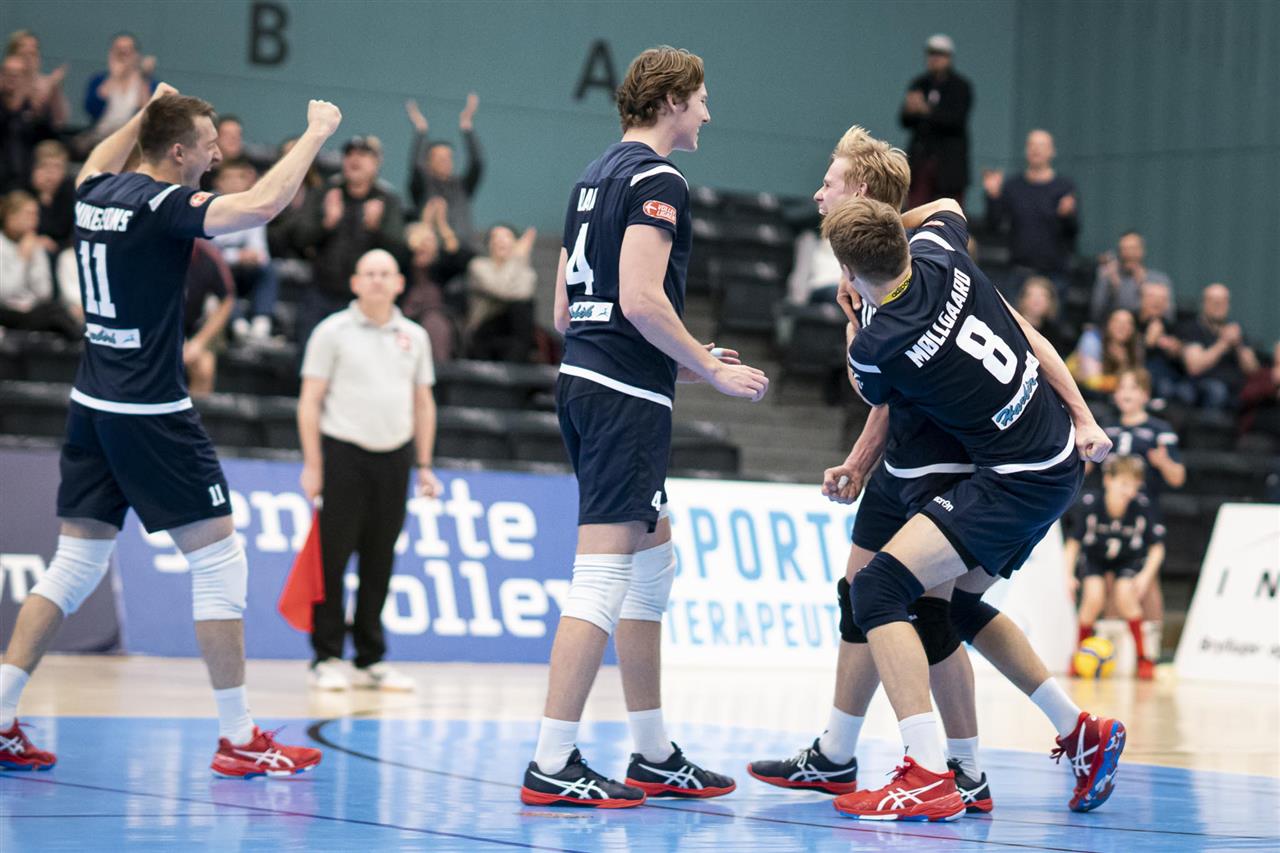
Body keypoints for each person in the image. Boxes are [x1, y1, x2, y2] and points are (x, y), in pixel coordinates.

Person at [0, 82, 342, 776]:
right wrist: (315, 134)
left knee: (74, 566)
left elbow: (96, 159)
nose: (217, 159)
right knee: (220, 562)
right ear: (178, 152)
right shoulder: (162, 207)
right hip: (150, 411)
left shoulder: (96, 193)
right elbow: (261, 206)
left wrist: (142, 113)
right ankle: (238, 737)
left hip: (91, 402)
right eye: (209, 148)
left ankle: (0, 713)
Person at [520, 46, 768, 809]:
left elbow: (569, 313)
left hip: (588, 381)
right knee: (601, 579)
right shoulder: (660, 179)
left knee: (653, 564)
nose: (708, 113)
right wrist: (711, 366)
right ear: (670, 102)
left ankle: (653, 752)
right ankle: (551, 760)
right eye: (701, 99)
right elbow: (638, 298)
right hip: (623, 397)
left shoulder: (590, 178)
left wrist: (681, 362)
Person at [823, 195, 1121, 819]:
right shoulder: (940, 250)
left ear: (850, 272)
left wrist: (853, 317)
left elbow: (867, 384)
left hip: (1014, 481)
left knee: (877, 590)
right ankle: (1079, 731)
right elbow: (948, 205)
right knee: (951, 608)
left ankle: (926, 772)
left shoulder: (880, 341)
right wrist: (891, 227)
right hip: (1054, 454)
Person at [747, 125, 992, 815]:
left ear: (857, 191)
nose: (817, 192)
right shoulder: (873, 261)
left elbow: (875, 379)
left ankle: (964, 768)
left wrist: (854, 321)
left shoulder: (900, 270)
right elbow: (887, 394)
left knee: (933, 615)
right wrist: (859, 460)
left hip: (945, 460)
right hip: (900, 456)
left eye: (829, 181)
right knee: (857, 594)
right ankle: (835, 753)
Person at [297, 248, 440, 692]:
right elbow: (310, 401)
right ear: (355, 282)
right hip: (343, 455)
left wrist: (424, 465)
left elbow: (423, 403)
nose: (377, 280)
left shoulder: (414, 336)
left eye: (385, 273)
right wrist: (313, 465)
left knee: (381, 558)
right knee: (333, 559)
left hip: (395, 457)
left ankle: (370, 658)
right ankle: (326, 656)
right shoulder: (332, 331)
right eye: (369, 273)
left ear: (399, 283)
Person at [295, 134, 405, 346]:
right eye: (349, 154)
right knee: (310, 351)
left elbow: (400, 253)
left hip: (365, 300)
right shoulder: (325, 193)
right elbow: (299, 240)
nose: (355, 159)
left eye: (363, 155)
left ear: (376, 163)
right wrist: (327, 223)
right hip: (321, 292)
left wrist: (376, 228)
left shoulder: (388, 200)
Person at [1064, 455, 1166, 680]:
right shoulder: (1090, 505)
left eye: (1134, 485)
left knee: (1125, 596)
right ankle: (1079, 655)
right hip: (1095, 558)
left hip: (1127, 559)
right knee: (1093, 598)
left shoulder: (1141, 507)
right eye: (1124, 484)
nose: (1129, 491)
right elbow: (1073, 543)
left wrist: (1145, 576)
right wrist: (1068, 575)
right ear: (1108, 480)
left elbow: (1157, 548)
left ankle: (1143, 658)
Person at [982, 130, 1078, 296]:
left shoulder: (1064, 187)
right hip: (1018, 272)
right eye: (1031, 145)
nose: (1036, 150)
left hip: (1054, 274)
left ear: (1052, 151)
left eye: (1041, 145)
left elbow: (1074, 231)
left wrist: (1068, 215)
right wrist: (993, 197)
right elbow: (994, 226)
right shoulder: (1013, 186)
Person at [899, 34, 972, 209]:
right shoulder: (919, 83)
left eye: (940, 54)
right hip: (921, 162)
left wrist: (925, 109)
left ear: (949, 58)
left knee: (948, 212)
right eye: (931, 54)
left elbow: (955, 120)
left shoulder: (960, 87)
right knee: (916, 212)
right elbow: (905, 121)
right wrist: (909, 109)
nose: (935, 59)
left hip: (949, 167)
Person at [211, 158, 279, 341]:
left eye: (240, 177)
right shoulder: (206, 205)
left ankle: (261, 323)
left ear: (248, 181)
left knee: (268, 269)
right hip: (216, 271)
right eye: (229, 177)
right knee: (218, 271)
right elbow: (206, 254)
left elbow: (261, 251)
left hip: (244, 271)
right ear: (218, 182)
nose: (235, 182)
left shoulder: (254, 205)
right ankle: (237, 324)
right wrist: (236, 256)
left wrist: (254, 256)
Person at [406, 94, 483, 250]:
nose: (445, 161)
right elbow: (416, 167)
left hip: (463, 250)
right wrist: (421, 131)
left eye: (448, 157)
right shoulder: (422, 186)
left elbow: (477, 163)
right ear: (428, 162)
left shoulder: (462, 186)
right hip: (432, 252)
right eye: (439, 157)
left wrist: (467, 128)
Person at [0, 188, 78, 339]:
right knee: (55, 316)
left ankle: (77, 340)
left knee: (54, 310)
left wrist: (34, 257)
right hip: (5, 311)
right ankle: (78, 339)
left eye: (36, 214)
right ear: (10, 216)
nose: (34, 220)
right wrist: (22, 259)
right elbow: (5, 293)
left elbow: (44, 293)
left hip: (31, 310)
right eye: (28, 214)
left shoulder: (35, 245)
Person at [1179, 283, 1260, 409]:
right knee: (1217, 391)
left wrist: (1239, 345)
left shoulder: (1236, 330)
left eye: (1223, 302)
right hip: (1205, 387)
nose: (1218, 306)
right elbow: (1194, 367)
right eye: (1214, 301)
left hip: (1236, 388)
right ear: (1204, 303)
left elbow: (1253, 370)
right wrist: (1223, 344)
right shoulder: (1193, 329)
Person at [465, 223, 537, 361]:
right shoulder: (478, 265)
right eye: (495, 237)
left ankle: (516, 366)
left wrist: (517, 262)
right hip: (484, 332)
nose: (500, 241)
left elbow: (524, 296)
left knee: (522, 309)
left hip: (513, 334)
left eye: (506, 237)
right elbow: (501, 289)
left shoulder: (526, 272)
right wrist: (517, 258)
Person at [78, 33, 156, 153]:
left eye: (127, 52)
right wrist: (113, 77)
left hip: (132, 141)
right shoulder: (99, 80)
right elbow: (91, 110)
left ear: (137, 55)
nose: (123, 56)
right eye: (119, 52)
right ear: (111, 54)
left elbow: (148, 115)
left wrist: (143, 78)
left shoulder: (146, 82)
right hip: (100, 138)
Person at [182, 239, 235, 397]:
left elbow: (227, 299)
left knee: (204, 367)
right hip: (155, 329)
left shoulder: (208, 255)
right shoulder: (153, 250)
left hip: (191, 328)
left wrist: (199, 342)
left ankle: (194, 412)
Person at [1090, 231, 1171, 325]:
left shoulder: (1159, 280)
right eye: (1124, 249)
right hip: (1116, 330)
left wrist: (1143, 288)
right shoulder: (1109, 278)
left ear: (1142, 251)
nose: (1129, 254)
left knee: (1156, 325)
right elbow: (1096, 314)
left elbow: (1169, 316)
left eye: (1133, 248)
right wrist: (1112, 290)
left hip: (1147, 329)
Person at [1, 53, 55, 193]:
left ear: (27, 78)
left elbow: (50, 140)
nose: (12, 78)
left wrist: (39, 115)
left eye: (17, 74)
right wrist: (14, 106)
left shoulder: (35, 109)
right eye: (8, 73)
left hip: (28, 186)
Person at [5, 30, 70, 130]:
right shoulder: (5, 80)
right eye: (24, 53)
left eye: (33, 53)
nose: (29, 59)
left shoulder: (46, 83)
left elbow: (60, 121)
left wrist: (54, 89)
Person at [1068, 308, 1141, 396]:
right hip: (1081, 393)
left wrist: (1123, 363)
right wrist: (1119, 381)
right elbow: (1092, 381)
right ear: (1108, 324)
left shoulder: (1134, 348)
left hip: (1110, 396)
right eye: (1117, 321)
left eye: (1128, 323)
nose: (1122, 326)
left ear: (1132, 329)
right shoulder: (1092, 340)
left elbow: (1136, 381)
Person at [1135, 281, 1185, 403]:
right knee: (1164, 387)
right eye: (1152, 297)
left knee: (1186, 391)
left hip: (1171, 376)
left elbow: (1184, 362)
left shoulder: (1173, 326)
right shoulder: (1131, 321)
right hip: (1142, 375)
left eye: (1162, 299)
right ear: (1141, 299)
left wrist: (1177, 350)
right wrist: (1148, 342)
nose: (1157, 302)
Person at [30, 140, 75, 254]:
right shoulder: (22, 191)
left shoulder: (72, 193)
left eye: (57, 167)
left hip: (63, 251)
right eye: (44, 166)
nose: (51, 172)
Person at [1015, 275, 1072, 355]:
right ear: (1023, 300)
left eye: (1042, 296)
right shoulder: (1011, 325)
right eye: (1032, 295)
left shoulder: (1054, 335)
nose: (1037, 300)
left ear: (1050, 303)